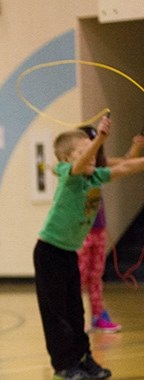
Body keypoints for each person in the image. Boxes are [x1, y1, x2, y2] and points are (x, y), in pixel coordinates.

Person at [34, 114, 144, 380]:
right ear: (68, 157)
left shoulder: (93, 178)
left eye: (92, 150)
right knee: (56, 313)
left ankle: (84, 358)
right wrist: (99, 140)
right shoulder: (66, 173)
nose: (92, 157)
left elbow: (124, 168)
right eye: (84, 151)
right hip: (49, 252)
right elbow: (80, 164)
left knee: (76, 311)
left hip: (69, 253)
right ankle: (63, 364)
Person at [76, 126, 144, 333]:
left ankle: (98, 316)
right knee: (79, 275)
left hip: (98, 230)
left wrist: (136, 146)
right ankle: (74, 318)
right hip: (80, 232)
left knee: (96, 275)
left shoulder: (101, 166)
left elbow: (126, 163)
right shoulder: (75, 169)